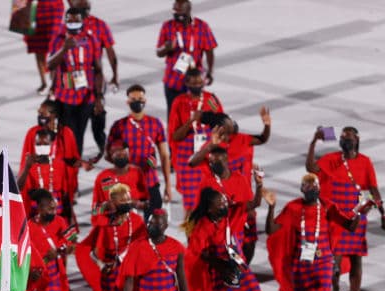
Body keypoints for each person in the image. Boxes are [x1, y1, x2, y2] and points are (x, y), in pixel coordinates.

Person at [306, 126, 385, 291]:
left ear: (356, 139)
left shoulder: (365, 162)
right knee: (334, 264)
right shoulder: (332, 159)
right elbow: (311, 168)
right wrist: (313, 142)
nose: (344, 140)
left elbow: (374, 189)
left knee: (356, 263)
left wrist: (383, 214)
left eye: (348, 137)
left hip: (356, 219)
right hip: (337, 221)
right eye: (342, 137)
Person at [189, 110, 271, 264]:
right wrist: (209, 146)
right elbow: (192, 163)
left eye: (231, 123)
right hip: (219, 198)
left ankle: (244, 268)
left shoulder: (241, 139)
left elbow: (262, 138)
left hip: (242, 195)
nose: (232, 125)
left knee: (250, 239)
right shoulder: (212, 145)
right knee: (224, 242)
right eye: (228, 125)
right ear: (219, 128)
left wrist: (267, 124)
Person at [46, 7, 102, 158]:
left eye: (76, 20)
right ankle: (66, 163)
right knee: (67, 132)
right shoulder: (58, 39)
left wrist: (99, 97)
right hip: (65, 95)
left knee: (79, 134)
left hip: (86, 95)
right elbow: (50, 64)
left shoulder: (90, 39)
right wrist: (64, 49)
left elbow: (98, 70)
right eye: (69, 20)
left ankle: (74, 168)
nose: (73, 23)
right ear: (65, 21)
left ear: (82, 20)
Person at [107, 84, 171, 215]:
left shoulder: (155, 124)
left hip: (150, 181)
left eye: (140, 98)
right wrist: (122, 161)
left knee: (153, 224)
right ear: (128, 102)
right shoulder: (119, 126)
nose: (137, 102)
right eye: (133, 99)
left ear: (145, 100)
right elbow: (107, 155)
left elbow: (164, 156)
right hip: (126, 184)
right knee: (127, 226)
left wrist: (168, 186)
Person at [68, 0, 117, 162]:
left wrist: (115, 75)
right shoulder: (67, 27)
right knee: (75, 128)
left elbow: (110, 51)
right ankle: (75, 157)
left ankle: (106, 150)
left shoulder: (99, 25)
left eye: (86, 9)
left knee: (98, 120)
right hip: (71, 85)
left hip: (94, 80)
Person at [168, 68, 223, 212]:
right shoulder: (179, 102)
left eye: (200, 82)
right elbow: (175, 136)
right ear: (186, 83)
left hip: (208, 154)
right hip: (187, 159)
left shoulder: (211, 100)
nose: (198, 85)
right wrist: (190, 122)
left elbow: (223, 124)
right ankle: (191, 233)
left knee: (211, 198)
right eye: (194, 83)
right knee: (191, 204)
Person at [20, 100, 82, 223]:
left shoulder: (66, 133)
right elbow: (25, 159)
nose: (40, 115)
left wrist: (71, 187)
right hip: (38, 183)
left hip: (58, 184)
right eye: (39, 112)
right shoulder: (33, 133)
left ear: (54, 114)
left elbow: (73, 162)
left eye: (44, 112)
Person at [156, 0, 216, 115]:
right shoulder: (168, 26)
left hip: (195, 81)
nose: (176, 14)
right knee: (174, 115)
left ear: (188, 10)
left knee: (195, 114)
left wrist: (210, 72)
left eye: (180, 11)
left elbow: (209, 50)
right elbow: (159, 52)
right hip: (173, 80)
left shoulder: (202, 26)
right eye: (174, 10)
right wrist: (167, 48)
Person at [91, 139, 148, 217]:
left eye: (124, 154)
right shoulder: (102, 177)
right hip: (111, 224)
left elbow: (146, 201)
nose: (121, 156)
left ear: (129, 154)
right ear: (111, 156)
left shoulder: (137, 173)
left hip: (134, 222)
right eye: (118, 154)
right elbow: (94, 211)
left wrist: (137, 204)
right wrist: (106, 206)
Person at [19, 128, 68, 214]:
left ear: (51, 144)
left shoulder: (60, 165)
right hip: (37, 213)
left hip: (57, 212)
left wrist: (69, 216)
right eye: (38, 144)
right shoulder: (30, 165)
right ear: (34, 145)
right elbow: (19, 188)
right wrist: (26, 168)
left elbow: (65, 194)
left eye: (45, 144)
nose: (42, 147)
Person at [23, 0, 64, 94]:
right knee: (38, 47)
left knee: (55, 45)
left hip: (54, 8)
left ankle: (55, 82)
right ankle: (44, 83)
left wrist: (78, 8)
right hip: (33, 9)